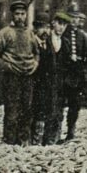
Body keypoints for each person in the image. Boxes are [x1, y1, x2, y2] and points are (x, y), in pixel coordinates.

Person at [0, 0, 40, 145]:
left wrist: (35, 65)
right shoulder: (5, 33)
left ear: (26, 16)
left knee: (26, 108)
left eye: (22, 14)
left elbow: (37, 53)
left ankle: (24, 139)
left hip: (28, 76)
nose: (20, 17)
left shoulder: (30, 34)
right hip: (12, 76)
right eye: (17, 14)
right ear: (12, 15)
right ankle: (9, 140)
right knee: (12, 109)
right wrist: (7, 67)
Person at [56, 11, 87, 143]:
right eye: (72, 18)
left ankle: (71, 131)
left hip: (77, 75)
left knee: (75, 104)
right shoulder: (62, 34)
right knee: (58, 104)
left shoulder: (83, 36)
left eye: (77, 18)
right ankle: (56, 133)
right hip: (63, 74)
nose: (75, 21)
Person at [28, 12, 60, 144]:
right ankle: (34, 140)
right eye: (42, 27)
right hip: (35, 83)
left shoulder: (49, 44)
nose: (45, 31)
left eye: (48, 27)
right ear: (35, 28)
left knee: (48, 112)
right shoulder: (31, 42)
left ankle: (46, 141)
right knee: (35, 113)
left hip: (48, 85)